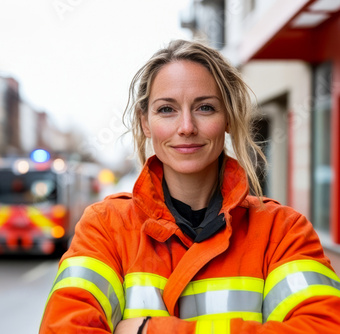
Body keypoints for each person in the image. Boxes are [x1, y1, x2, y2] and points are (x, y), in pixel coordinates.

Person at [39, 39, 340, 333]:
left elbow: (323, 326)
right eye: (167, 109)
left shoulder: (283, 231)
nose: (186, 127)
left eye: (205, 108)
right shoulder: (105, 228)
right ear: (145, 123)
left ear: (228, 119)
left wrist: (150, 330)